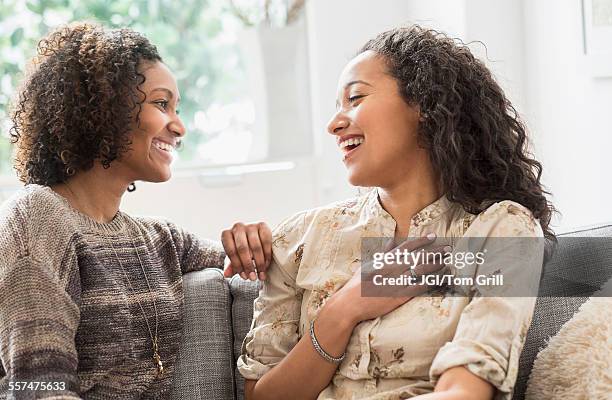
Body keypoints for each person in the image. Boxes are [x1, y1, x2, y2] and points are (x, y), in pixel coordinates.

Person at [229, 26, 554, 400]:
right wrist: (343, 309)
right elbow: (262, 396)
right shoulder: (299, 239)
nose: (334, 124)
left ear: (425, 105)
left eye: (355, 98)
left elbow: (463, 393)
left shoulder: (501, 230)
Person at [0, 23, 271, 399]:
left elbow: (269, 260)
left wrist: (252, 240)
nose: (179, 127)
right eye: (162, 104)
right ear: (105, 106)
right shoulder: (38, 218)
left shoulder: (156, 239)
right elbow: (37, 387)